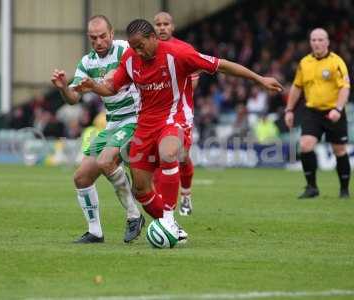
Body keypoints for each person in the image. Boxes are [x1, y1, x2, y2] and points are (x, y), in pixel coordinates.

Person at [75, 19, 283, 242]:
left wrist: (258, 79)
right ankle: (172, 229)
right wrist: (93, 86)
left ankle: (168, 219)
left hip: (175, 119)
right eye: (133, 47)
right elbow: (111, 87)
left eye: (141, 46)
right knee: (141, 190)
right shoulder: (130, 58)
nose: (138, 51)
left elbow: (221, 65)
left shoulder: (179, 53)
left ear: (153, 38)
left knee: (168, 152)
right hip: (145, 125)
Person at [51, 15, 144, 244]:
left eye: (103, 36)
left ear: (112, 33)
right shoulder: (87, 62)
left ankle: (134, 215)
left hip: (135, 119)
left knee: (105, 162)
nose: (99, 41)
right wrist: (64, 87)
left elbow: (114, 84)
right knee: (81, 178)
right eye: (94, 38)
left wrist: (98, 84)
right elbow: (73, 98)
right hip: (113, 123)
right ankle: (95, 232)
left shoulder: (125, 50)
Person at [285, 28, 351, 199]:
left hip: (333, 112)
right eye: (314, 40)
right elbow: (296, 87)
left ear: (327, 42)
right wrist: (289, 110)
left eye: (320, 40)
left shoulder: (336, 62)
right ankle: (312, 187)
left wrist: (338, 108)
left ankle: (344, 190)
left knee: (339, 150)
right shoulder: (304, 63)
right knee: (306, 145)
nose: (317, 43)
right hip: (312, 112)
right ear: (310, 42)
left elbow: (345, 87)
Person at [153, 11, 197, 216]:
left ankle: (185, 194)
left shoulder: (185, 49)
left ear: (173, 27)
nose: (162, 27)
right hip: (154, 113)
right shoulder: (148, 49)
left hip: (180, 113)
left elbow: (193, 81)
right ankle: (165, 209)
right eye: (158, 24)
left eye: (166, 24)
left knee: (181, 156)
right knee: (156, 159)